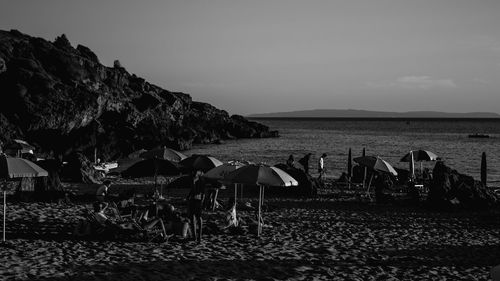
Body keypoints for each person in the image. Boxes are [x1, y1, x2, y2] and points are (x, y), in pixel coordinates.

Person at [187, 170, 205, 242]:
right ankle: (195, 236)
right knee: (193, 219)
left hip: (197, 201)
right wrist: (188, 196)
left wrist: (202, 202)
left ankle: (199, 236)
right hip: (194, 200)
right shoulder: (194, 180)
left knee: (197, 218)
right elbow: (192, 191)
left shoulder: (200, 181)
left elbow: (202, 193)